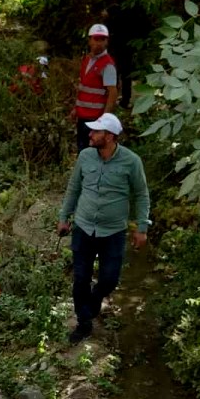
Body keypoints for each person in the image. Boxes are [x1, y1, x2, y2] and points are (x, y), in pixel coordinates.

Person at [56, 112, 149, 344]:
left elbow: (141, 195)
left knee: (109, 279)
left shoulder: (131, 161)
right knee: (80, 279)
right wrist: (64, 217)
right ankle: (84, 323)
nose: (90, 134)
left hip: (113, 232)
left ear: (109, 137)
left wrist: (142, 227)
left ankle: (96, 298)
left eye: (96, 132)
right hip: (84, 228)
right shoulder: (85, 156)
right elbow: (73, 187)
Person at [72, 24, 118, 152]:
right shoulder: (87, 59)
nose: (98, 43)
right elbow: (83, 87)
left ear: (106, 42)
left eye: (102, 40)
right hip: (83, 115)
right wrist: (76, 109)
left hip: (95, 118)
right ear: (90, 40)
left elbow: (112, 93)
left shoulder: (107, 65)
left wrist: (104, 119)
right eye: (96, 39)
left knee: (90, 150)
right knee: (82, 148)